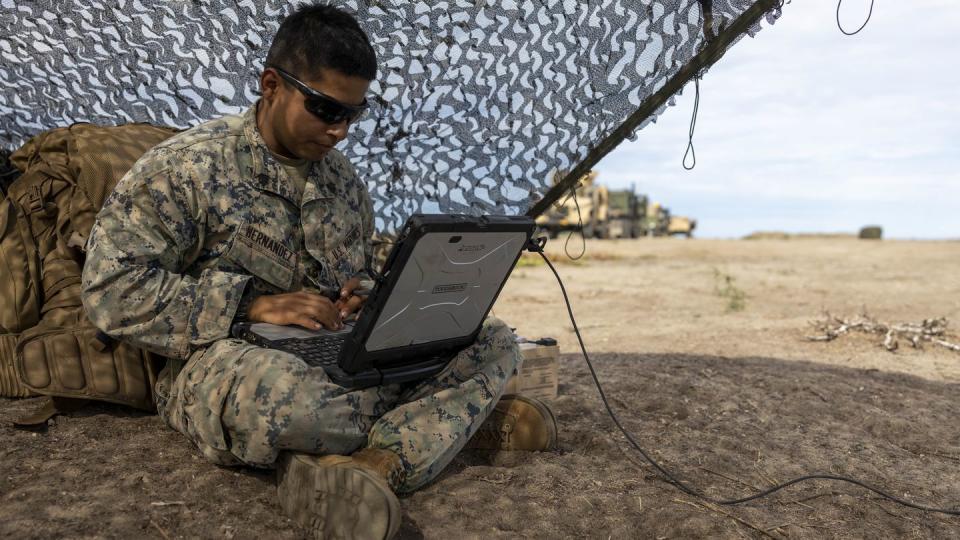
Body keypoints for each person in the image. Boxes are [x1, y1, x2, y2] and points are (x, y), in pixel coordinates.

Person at [80, 4, 557, 539]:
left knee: (490, 339)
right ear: (270, 85)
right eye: (326, 109)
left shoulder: (343, 184)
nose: (340, 131)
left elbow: (359, 272)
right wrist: (248, 306)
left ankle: (374, 464)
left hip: (337, 351)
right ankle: (444, 425)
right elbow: (111, 291)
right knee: (286, 402)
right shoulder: (186, 169)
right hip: (233, 359)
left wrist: (368, 297)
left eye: (354, 115)